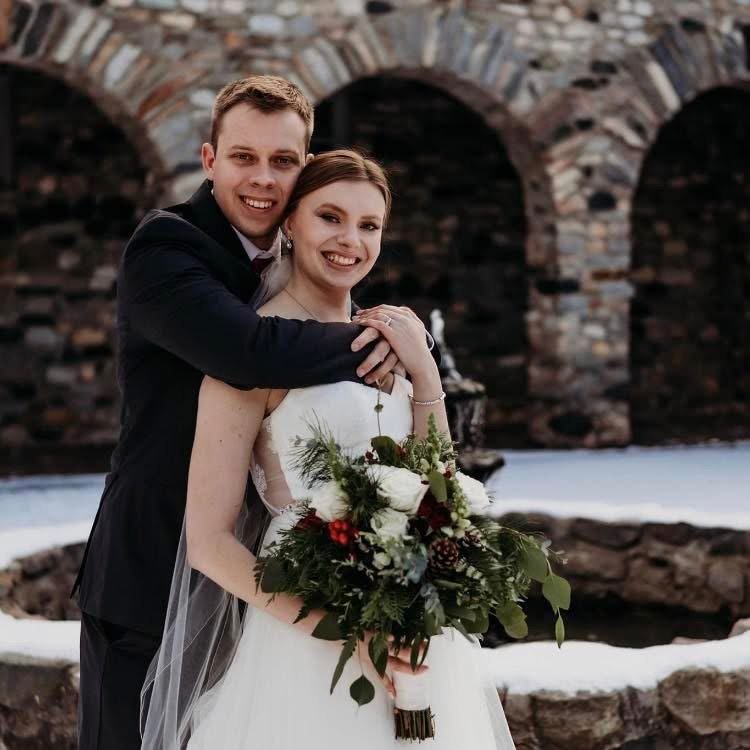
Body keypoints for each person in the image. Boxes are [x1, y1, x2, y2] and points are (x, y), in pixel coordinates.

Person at [72, 76, 412, 750]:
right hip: (155, 565)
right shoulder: (166, 249)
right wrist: (396, 341)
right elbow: (247, 350)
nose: (262, 178)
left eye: (283, 161)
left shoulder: (303, 267)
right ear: (208, 159)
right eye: (243, 157)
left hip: (267, 595)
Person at [141, 150, 515, 749]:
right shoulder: (248, 354)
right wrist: (347, 633)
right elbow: (209, 544)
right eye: (330, 218)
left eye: (369, 226)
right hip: (305, 636)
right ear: (290, 223)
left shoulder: (389, 338)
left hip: (410, 623)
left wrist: (426, 374)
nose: (351, 241)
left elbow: (437, 479)